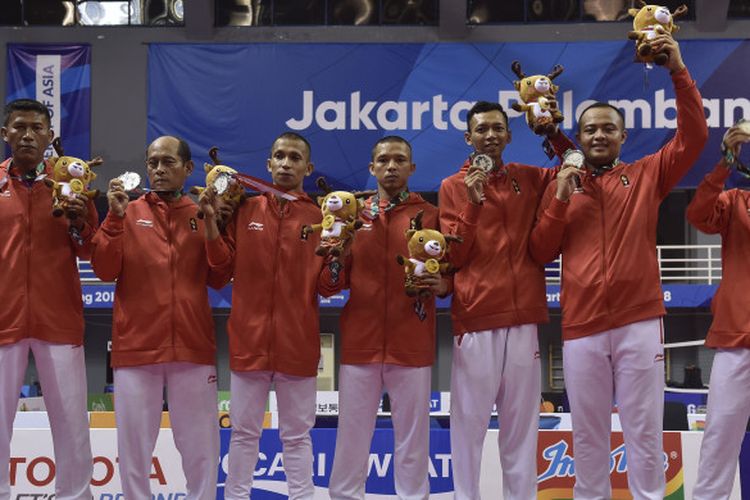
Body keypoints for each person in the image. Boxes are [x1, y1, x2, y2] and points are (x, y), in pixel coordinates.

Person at [529, 32, 708, 499]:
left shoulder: (647, 174)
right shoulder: (560, 182)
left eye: (608, 128)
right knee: (587, 437)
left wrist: (678, 70)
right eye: (590, 129)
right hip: (581, 328)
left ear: (623, 136)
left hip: (639, 323)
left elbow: (695, 136)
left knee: (644, 434)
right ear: (580, 136)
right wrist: (560, 200)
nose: (599, 135)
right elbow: (542, 251)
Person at [438, 100, 575, 500]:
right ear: (468, 137)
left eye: (498, 128)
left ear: (509, 135)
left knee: (521, 429)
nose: (491, 135)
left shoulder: (529, 178)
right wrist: (473, 202)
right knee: (469, 428)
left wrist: (549, 128)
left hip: (523, 319)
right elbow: (454, 257)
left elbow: (574, 162)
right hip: (477, 317)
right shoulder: (451, 187)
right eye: (482, 129)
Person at [91, 135, 226, 500]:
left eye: (168, 162)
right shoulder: (127, 211)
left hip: (192, 349)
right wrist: (114, 220)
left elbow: (221, 275)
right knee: (134, 454)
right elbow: (103, 269)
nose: (159, 170)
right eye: (153, 163)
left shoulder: (202, 213)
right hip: (136, 349)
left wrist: (213, 225)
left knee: (201, 452)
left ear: (188, 169)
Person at [324, 136, 447, 500]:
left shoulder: (431, 214)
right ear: (371, 168)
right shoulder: (350, 215)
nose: (391, 166)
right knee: (351, 435)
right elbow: (330, 282)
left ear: (412, 168)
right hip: (360, 342)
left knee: (412, 437)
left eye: (399, 160)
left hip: (413, 341)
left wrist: (442, 283)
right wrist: (336, 255)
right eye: (383, 160)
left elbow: (448, 275)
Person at [217, 132, 336, 500]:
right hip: (248, 342)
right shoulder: (243, 211)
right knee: (243, 434)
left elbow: (328, 287)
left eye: (295, 157)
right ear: (268, 164)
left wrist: (339, 256)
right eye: (280, 157)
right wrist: (215, 224)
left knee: (297, 436)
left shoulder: (320, 218)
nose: (286, 163)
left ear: (308, 167)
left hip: (297, 345)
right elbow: (220, 267)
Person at [0, 98, 96, 500]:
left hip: (58, 318)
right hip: (3, 320)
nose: (27, 134)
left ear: (50, 137)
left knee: (72, 422)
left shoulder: (72, 188)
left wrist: (80, 218)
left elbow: (91, 250)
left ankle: (75, 495)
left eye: (36, 128)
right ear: (5, 135)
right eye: (19, 127)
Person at [687, 123, 750, 500]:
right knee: (720, 438)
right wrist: (726, 161)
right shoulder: (736, 201)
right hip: (737, 336)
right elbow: (698, 214)